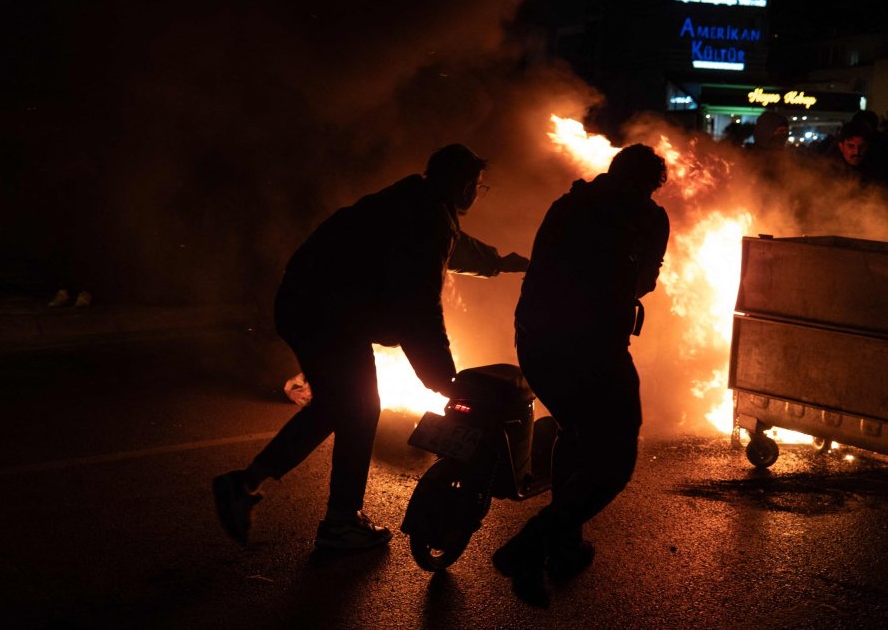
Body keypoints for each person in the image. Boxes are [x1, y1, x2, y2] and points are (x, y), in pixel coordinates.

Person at [212, 143, 528, 550]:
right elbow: (418, 307)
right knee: (359, 407)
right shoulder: (424, 216)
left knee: (339, 405)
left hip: (311, 307)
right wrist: (440, 377)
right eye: (478, 187)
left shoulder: (417, 203)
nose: (475, 195)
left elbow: (454, 245)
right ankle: (339, 520)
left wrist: (499, 261)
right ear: (465, 184)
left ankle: (249, 485)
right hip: (327, 314)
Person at [493, 144, 670, 606]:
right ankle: (529, 546)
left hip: (536, 342)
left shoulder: (568, 204)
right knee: (615, 462)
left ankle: (562, 547)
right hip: (591, 352)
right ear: (647, 185)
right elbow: (642, 282)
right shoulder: (644, 219)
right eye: (647, 189)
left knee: (576, 432)